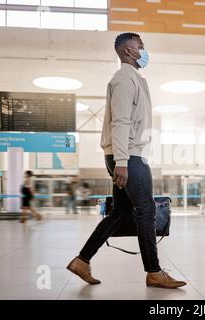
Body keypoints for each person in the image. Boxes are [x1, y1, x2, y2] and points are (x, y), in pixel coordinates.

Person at [67, 33, 186, 289]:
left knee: (121, 212)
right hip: (128, 156)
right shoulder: (123, 79)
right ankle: (154, 272)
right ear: (128, 51)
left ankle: (82, 261)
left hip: (126, 154)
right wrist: (121, 161)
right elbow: (120, 121)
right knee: (147, 209)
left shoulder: (134, 79)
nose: (144, 52)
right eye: (141, 47)